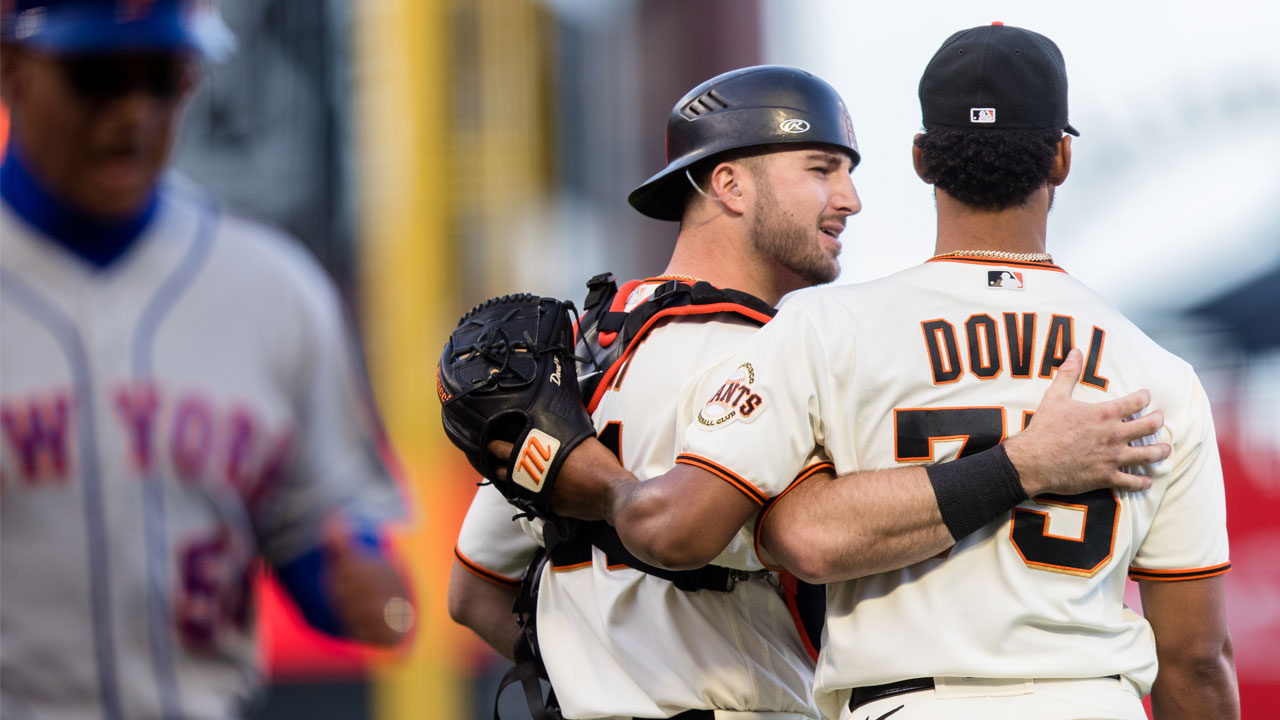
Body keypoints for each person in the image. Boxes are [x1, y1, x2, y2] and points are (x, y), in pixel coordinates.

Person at [451, 64, 1162, 720]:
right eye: (821, 169)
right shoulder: (779, 356)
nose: (849, 199)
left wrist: (594, 673)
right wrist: (1028, 461)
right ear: (728, 185)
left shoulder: (583, 359)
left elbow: (474, 592)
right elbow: (820, 537)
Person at [617, 24, 1235, 720]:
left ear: (921, 159)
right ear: (1060, 158)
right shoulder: (1157, 374)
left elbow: (740, 534)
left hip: (911, 702)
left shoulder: (828, 329)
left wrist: (568, 468)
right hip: (1092, 701)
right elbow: (1194, 660)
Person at [0, 2, 411, 719]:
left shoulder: (272, 289)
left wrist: (369, 591)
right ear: (12, 70)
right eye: (97, 76)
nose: (133, 112)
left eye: (162, 77)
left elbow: (323, 539)